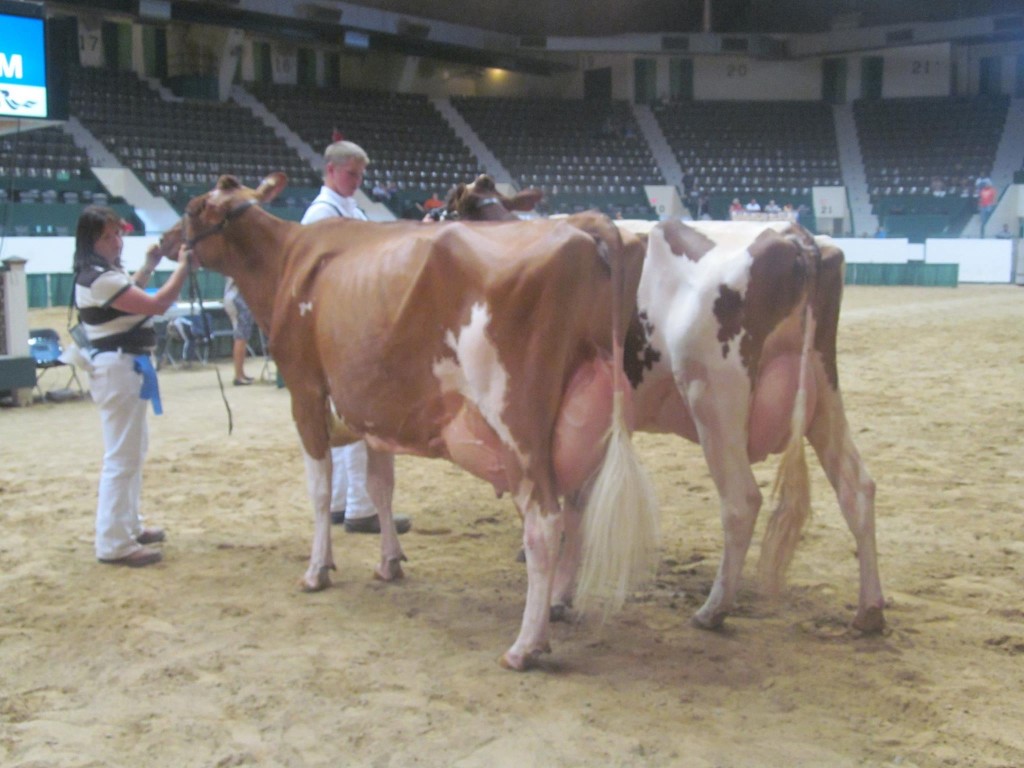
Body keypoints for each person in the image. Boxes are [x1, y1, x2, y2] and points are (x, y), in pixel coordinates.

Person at [301, 140, 412, 535]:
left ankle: (342, 503)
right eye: (351, 174)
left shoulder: (349, 208)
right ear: (330, 171)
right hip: (337, 324)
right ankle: (361, 508)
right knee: (358, 416)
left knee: (346, 415)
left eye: (361, 175)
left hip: (343, 322)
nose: (357, 181)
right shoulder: (321, 214)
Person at [73, 205, 194, 567]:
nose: (118, 241)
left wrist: (151, 265)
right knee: (122, 458)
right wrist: (184, 267)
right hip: (119, 367)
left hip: (125, 367)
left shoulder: (100, 275)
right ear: (92, 240)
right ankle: (113, 542)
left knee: (131, 452)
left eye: (119, 234)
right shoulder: (99, 278)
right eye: (110, 236)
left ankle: (128, 526)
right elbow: (156, 304)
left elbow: (130, 296)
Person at [223, 276, 254, 386]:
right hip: (237, 297)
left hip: (233, 296)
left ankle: (240, 373)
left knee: (242, 335)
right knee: (241, 336)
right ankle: (238, 375)